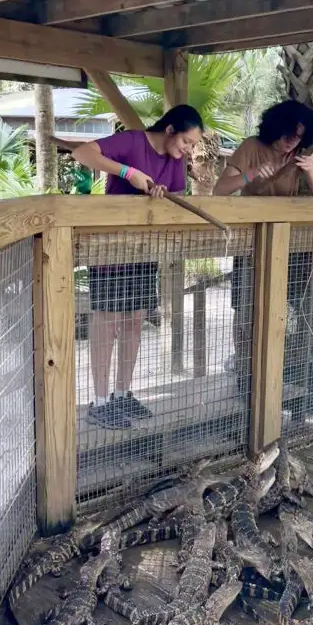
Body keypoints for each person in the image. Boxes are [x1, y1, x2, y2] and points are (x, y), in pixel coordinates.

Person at [72, 105, 203, 428]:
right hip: (110, 248)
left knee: (134, 320)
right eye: (186, 142)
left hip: (144, 249)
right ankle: (99, 401)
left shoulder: (176, 161)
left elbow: (177, 194)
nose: (188, 150)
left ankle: (122, 393)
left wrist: (161, 193)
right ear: (170, 129)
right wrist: (127, 173)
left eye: (192, 146)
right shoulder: (132, 142)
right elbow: (82, 153)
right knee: (107, 321)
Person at [213, 99, 313, 395]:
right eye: (289, 135)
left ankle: (276, 373)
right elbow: (220, 189)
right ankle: (245, 373)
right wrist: (250, 175)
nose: (292, 143)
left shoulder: (300, 155)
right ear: (276, 128)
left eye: (299, 137)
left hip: (286, 242)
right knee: (246, 308)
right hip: (250, 242)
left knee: (283, 308)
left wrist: (312, 169)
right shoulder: (252, 146)